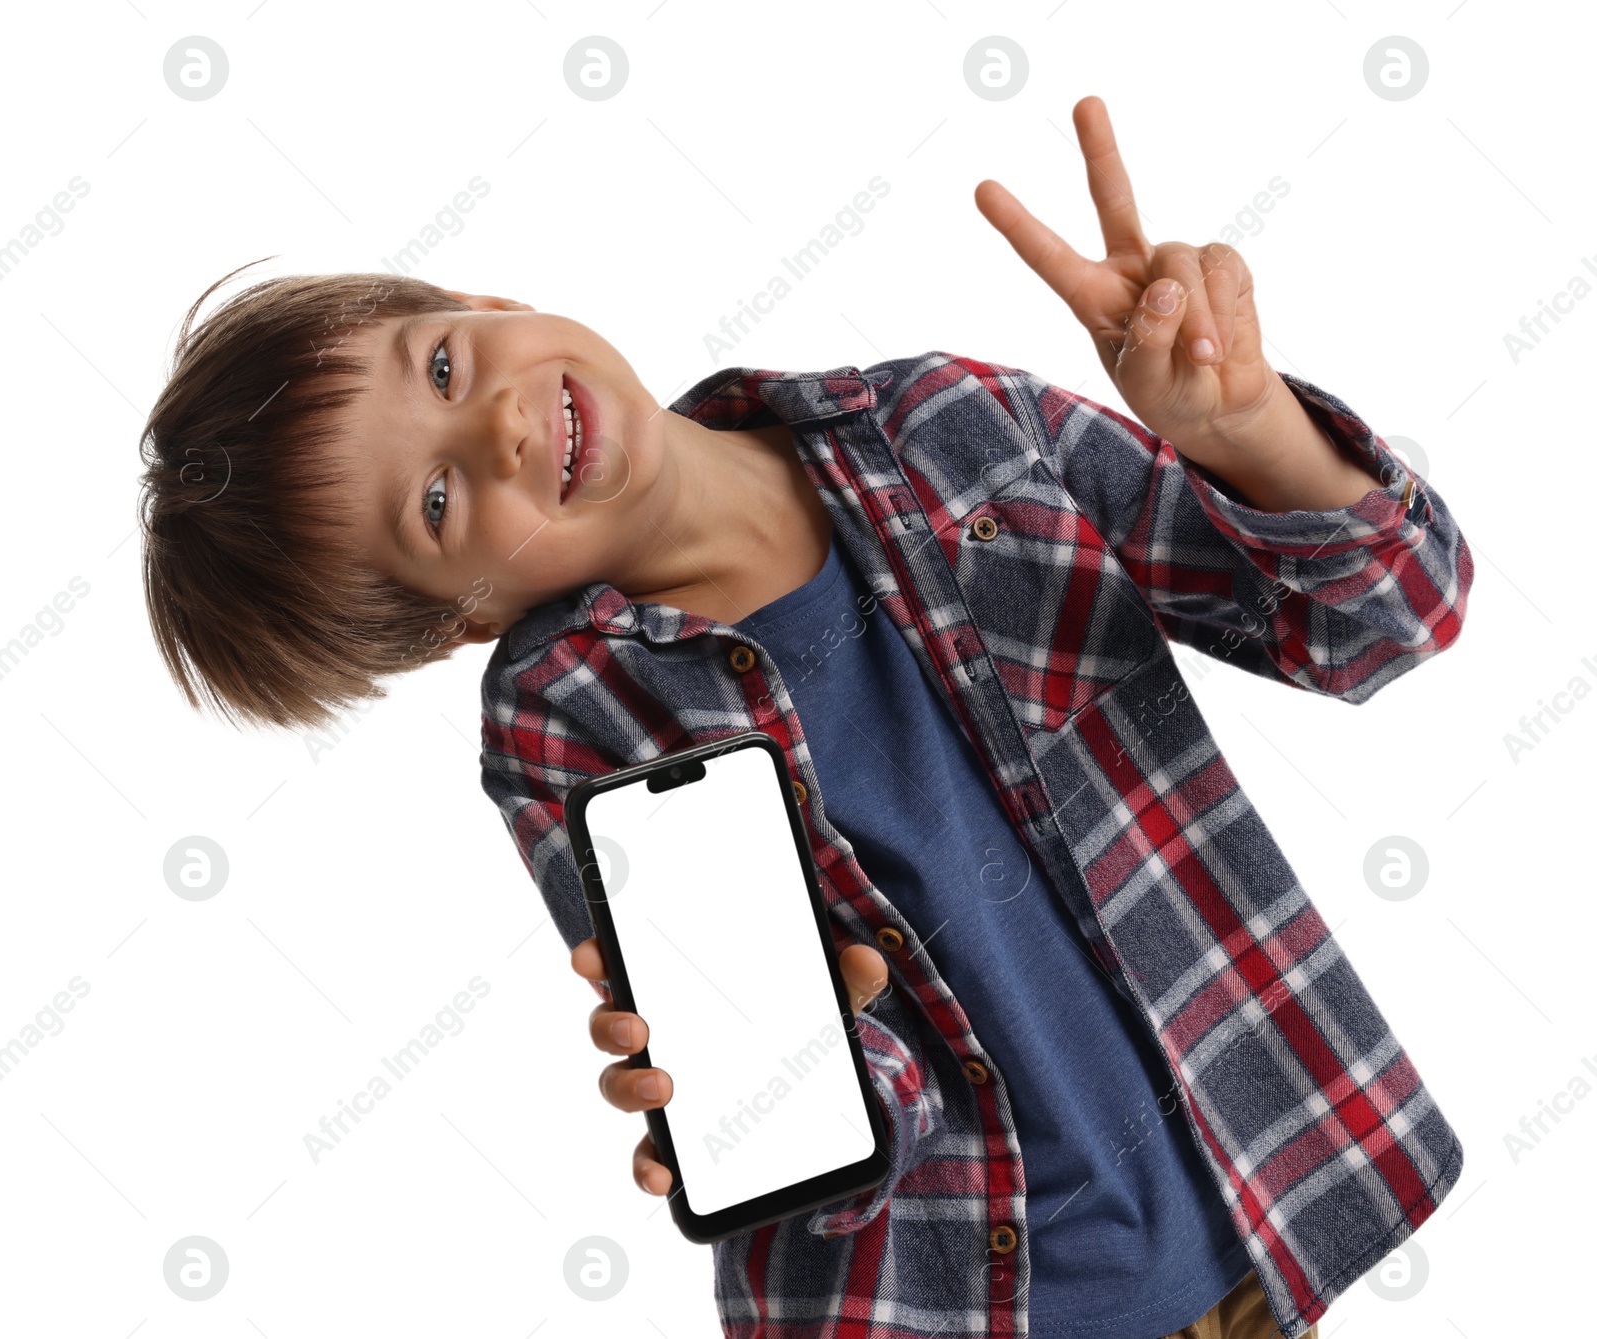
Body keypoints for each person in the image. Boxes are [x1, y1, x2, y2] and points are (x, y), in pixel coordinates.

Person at [136, 96, 1470, 1339]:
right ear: (455, 623)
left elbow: (1380, 626)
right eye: (434, 506)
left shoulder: (957, 428)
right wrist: (753, 1091)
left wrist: (1249, 428)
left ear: (488, 300)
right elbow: (849, 1118)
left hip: (1275, 1201)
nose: (493, 430)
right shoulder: (568, 716)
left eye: (440, 364)